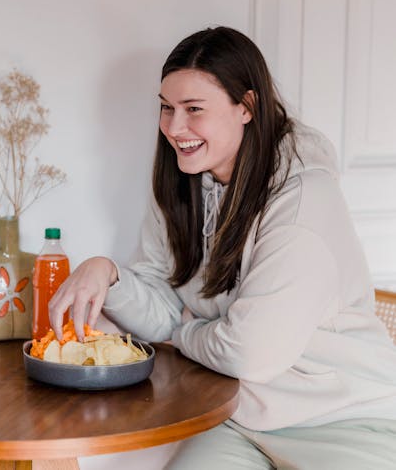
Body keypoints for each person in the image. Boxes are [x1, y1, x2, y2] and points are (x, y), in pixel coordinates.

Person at [49, 27, 396, 469]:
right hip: (238, 417)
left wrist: (181, 334)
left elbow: (249, 353)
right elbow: (164, 306)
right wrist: (109, 275)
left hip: (347, 421)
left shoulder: (303, 202)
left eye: (194, 109)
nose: (175, 128)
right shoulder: (182, 185)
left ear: (246, 107)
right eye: (166, 107)